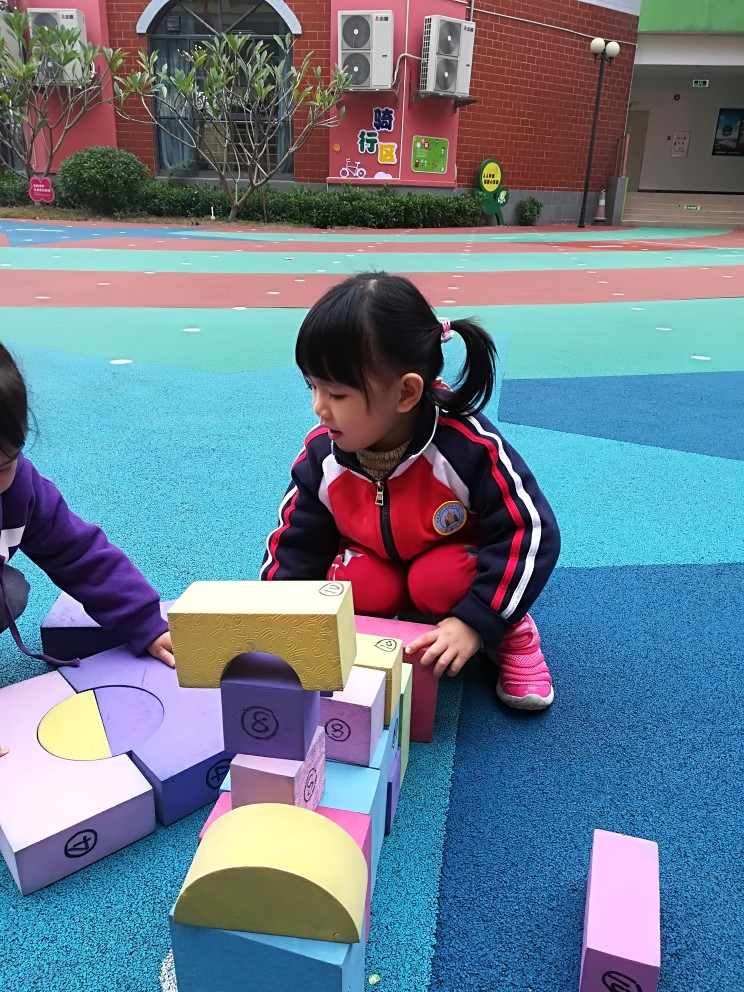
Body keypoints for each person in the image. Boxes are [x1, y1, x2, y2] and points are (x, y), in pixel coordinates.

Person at [261, 273, 561, 710]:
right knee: (357, 586)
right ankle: (410, 618)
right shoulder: (323, 455)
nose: (319, 407)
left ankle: (513, 635)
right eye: (313, 386)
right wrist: (278, 622)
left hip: (452, 566)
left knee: (439, 580)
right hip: (378, 562)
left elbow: (531, 531)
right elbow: (295, 542)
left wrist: (478, 621)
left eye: (337, 394)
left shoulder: (466, 447)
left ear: (405, 393)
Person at [0, 343, 174, 757]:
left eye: (2, 466)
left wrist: (145, 623)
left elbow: (78, 553)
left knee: (8, 592)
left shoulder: (21, 489)